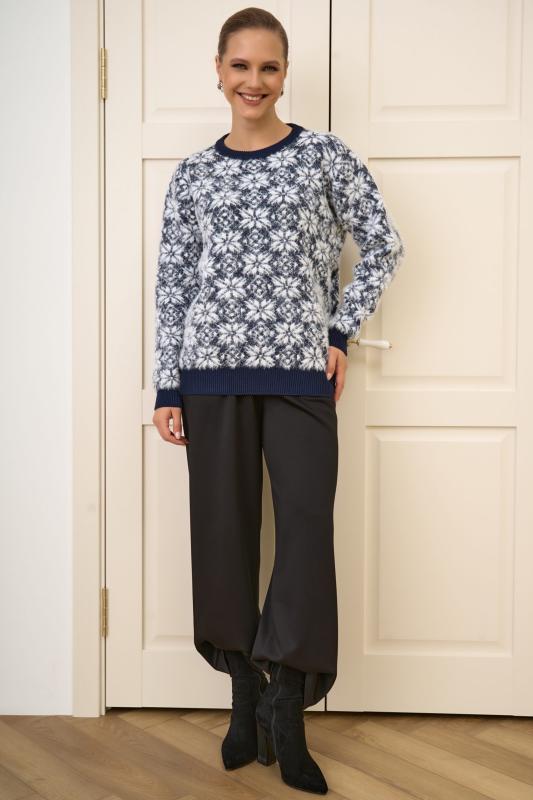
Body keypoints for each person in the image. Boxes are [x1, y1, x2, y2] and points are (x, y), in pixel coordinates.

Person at [151, 7, 405, 795]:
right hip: (209, 375)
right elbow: (173, 284)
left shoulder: (325, 157)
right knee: (222, 534)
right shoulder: (192, 175)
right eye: (240, 66)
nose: (253, 81)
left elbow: (384, 243)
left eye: (267, 67)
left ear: (285, 73)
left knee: (303, 537)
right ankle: (242, 700)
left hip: (299, 375)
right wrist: (166, 385)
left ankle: (287, 706)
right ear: (218, 71)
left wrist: (339, 331)